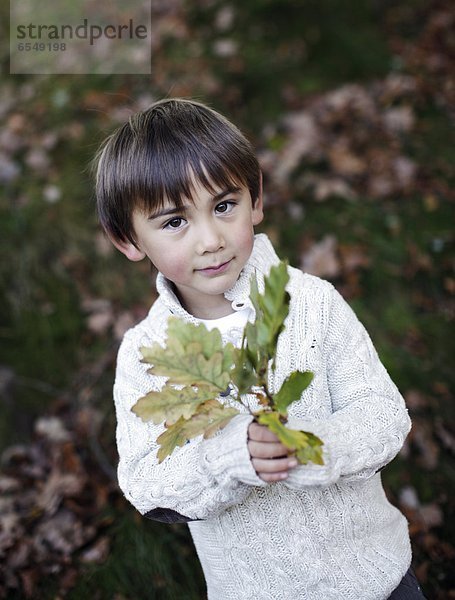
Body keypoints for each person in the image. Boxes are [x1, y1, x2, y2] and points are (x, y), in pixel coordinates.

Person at [94, 98, 425, 599]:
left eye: (224, 206)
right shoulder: (147, 354)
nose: (210, 240)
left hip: (374, 579)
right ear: (127, 239)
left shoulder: (311, 303)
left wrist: (311, 446)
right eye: (173, 222)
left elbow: (384, 415)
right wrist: (229, 457)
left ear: (256, 201)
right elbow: (146, 481)